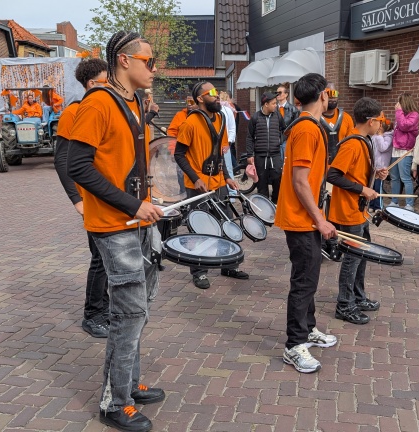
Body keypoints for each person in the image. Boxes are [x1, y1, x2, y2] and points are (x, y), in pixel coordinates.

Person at [67, 30, 165, 432]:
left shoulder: (135, 103)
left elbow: (134, 164)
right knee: (129, 312)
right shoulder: (99, 103)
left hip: (137, 220)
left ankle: (126, 383)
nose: (155, 68)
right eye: (149, 61)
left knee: (138, 310)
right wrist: (132, 204)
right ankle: (114, 402)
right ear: (124, 60)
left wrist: (153, 193)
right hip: (114, 224)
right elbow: (77, 166)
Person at [274, 72, 338, 374]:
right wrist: (320, 219)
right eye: (330, 93)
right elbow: (300, 182)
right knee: (304, 282)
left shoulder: (309, 126)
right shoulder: (307, 129)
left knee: (309, 277)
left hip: (305, 217)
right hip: (301, 219)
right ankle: (294, 344)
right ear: (323, 95)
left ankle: (308, 329)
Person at [54, 58, 111, 339]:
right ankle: (92, 314)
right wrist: (76, 199)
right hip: (90, 199)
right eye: (105, 80)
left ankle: (106, 306)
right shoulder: (73, 113)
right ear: (92, 84)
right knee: (99, 258)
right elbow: (62, 160)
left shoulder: (106, 108)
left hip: (107, 198)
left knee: (109, 258)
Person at [174, 81, 248, 289]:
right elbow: (179, 155)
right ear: (200, 98)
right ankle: (199, 271)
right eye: (212, 93)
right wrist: (194, 178)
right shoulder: (190, 124)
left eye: (217, 92)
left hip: (217, 182)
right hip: (197, 185)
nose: (217, 96)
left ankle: (228, 264)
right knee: (200, 227)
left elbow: (220, 153)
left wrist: (226, 176)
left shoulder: (221, 119)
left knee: (227, 221)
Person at [327, 97, 388, 325]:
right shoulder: (353, 143)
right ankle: (344, 305)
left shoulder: (365, 141)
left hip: (358, 210)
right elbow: (333, 175)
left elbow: (357, 172)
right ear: (371, 120)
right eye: (380, 120)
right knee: (352, 259)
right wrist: (363, 189)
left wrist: (375, 173)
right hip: (348, 210)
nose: (381, 124)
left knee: (362, 256)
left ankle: (358, 297)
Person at [245, 92, 285, 203]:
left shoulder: (277, 116)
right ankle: (265, 207)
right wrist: (249, 154)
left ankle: (276, 203)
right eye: (273, 103)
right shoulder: (255, 117)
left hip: (275, 154)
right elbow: (249, 137)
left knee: (278, 180)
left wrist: (279, 141)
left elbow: (284, 130)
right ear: (266, 104)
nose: (275, 105)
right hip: (260, 156)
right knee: (261, 183)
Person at [389, 93, 419, 210]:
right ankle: (394, 201)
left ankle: (409, 203)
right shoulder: (401, 115)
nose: (397, 105)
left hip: (406, 150)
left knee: (405, 177)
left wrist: (398, 112)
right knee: (394, 177)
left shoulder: (414, 115)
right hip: (396, 149)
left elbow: (404, 126)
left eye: (399, 102)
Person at [319, 83, 355, 162]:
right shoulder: (315, 117)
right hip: (320, 165)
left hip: (340, 165)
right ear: (322, 96)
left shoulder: (346, 118)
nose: (332, 97)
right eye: (329, 93)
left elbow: (351, 143)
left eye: (334, 93)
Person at [368, 119, 393, 212]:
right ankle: (371, 205)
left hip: (382, 166)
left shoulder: (388, 137)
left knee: (379, 187)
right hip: (374, 165)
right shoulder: (375, 136)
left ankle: (379, 206)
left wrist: (379, 136)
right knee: (372, 186)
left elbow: (383, 147)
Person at [276, 84, 298, 160]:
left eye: (280, 92)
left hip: (287, 140)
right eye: (276, 93)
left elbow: (296, 126)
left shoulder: (293, 109)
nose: (277, 95)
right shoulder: (273, 109)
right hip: (275, 141)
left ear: (286, 94)